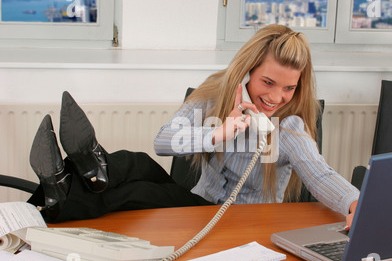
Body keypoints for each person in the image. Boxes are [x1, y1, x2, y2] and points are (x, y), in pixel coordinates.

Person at [27, 24, 359, 228]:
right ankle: (71, 175)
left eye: (289, 88)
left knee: (139, 193)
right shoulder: (213, 98)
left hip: (241, 224)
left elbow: (320, 173)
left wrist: (357, 205)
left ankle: (57, 197)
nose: (276, 98)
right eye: (268, 82)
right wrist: (219, 132)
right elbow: (163, 142)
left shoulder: (289, 128)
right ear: (245, 73)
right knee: (138, 162)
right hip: (198, 210)